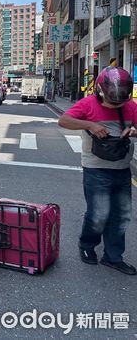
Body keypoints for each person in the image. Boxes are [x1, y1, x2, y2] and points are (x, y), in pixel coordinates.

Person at [58, 66, 137, 275]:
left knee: (121, 216)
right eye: (113, 101)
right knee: (99, 214)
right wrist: (90, 125)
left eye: (121, 101)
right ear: (101, 91)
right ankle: (86, 245)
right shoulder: (88, 104)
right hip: (96, 169)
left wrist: (134, 130)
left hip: (122, 168)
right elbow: (64, 120)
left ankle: (113, 257)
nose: (117, 105)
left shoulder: (130, 106)